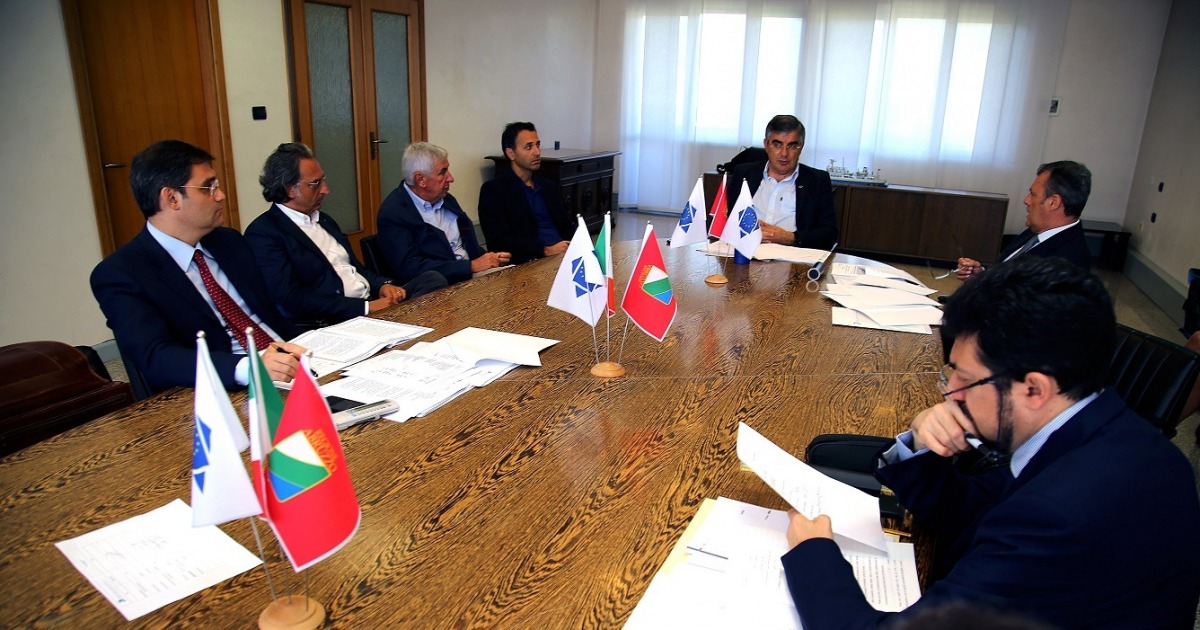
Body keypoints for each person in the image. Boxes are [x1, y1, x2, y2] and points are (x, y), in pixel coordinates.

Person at [781, 256, 1200, 629]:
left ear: (1034, 389)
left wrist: (814, 552)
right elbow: (969, 512)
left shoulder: (1057, 514)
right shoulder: (1114, 434)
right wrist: (924, 443)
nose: (950, 393)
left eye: (965, 379)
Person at [90, 140, 304, 394]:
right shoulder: (122, 273)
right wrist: (249, 368)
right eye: (208, 187)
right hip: (227, 387)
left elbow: (270, 314)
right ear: (172, 198)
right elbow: (156, 356)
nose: (220, 195)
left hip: (291, 360)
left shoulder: (228, 242)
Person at [244, 143, 446, 332]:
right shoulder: (265, 233)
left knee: (432, 279)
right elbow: (291, 298)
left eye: (323, 180)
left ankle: (406, 325)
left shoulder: (325, 220)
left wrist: (382, 285)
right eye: (315, 184)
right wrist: (365, 308)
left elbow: (357, 269)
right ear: (290, 189)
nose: (326, 189)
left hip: (370, 302)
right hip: (336, 319)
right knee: (425, 315)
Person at [377, 142, 511, 284]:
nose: (450, 178)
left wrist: (490, 259)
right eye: (442, 172)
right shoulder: (393, 213)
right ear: (421, 180)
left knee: (516, 278)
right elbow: (411, 268)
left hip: (472, 274)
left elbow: (467, 244)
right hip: (441, 285)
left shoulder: (445, 199)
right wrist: (471, 266)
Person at [955, 161, 1091, 280]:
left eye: (1033, 194)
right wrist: (981, 276)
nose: (1026, 200)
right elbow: (1007, 274)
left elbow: (1022, 299)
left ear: (1053, 202)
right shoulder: (1035, 231)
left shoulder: (1067, 262)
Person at [726, 115, 838, 250]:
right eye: (777, 145)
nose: (784, 153)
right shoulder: (744, 173)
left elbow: (830, 233)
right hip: (746, 251)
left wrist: (790, 237)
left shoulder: (817, 180)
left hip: (792, 255)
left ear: (801, 147)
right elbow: (727, 218)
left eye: (792, 146)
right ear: (766, 145)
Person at [478, 122, 573, 264]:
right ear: (511, 153)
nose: (537, 152)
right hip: (529, 262)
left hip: (564, 255)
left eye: (538, 145)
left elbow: (567, 225)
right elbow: (499, 240)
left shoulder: (548, 186)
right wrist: (545, 250)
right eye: (529, 147)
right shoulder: (494, 190)